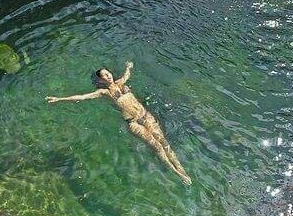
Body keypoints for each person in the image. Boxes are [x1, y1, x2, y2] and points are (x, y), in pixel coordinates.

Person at [46, 62, 192, 185]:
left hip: (146, 116)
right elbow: (83, 97)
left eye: (108, 73)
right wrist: (59, 99)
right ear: (101, 80)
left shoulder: (121, 82)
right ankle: (177, 174)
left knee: (164, 143)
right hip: (134, 123)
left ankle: (182, 169)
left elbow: (127, 74)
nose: (108, 75)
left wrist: (129, 67)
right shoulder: (104, 92)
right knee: (157, 146)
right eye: (104, 75)